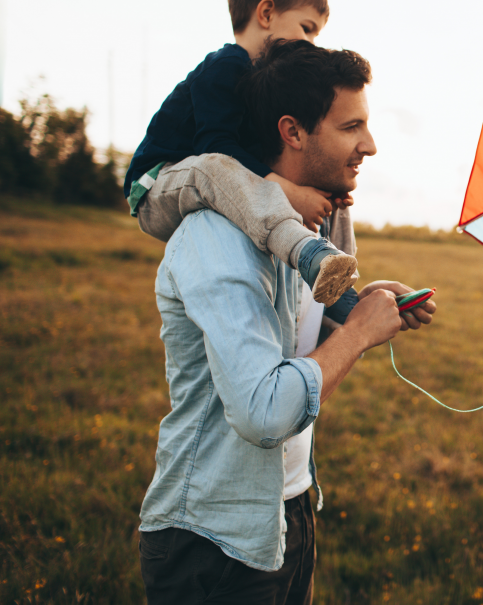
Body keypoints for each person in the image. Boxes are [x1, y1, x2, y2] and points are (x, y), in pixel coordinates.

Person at [137, 40, 437, 604]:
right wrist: (358, 335)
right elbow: (264, 412)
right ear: (293, 131)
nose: (369, 145)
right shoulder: (217, 237)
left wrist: (365, 302)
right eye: (352, 127)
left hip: (289, 508)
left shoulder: (309, 234)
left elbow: (303, 331)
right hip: (213, 541)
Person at [123, 0, 358, 308]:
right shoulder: (225, 65)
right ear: (266, 13)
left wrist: (314, 190)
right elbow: (216, 146)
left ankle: (341, 283)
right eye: (307, 28)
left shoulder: (261, 84)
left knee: (326, 176)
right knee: (213, 166)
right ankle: (307, 253)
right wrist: (288, 190)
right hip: (159, 184)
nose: (312, 44)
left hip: (212, 179)